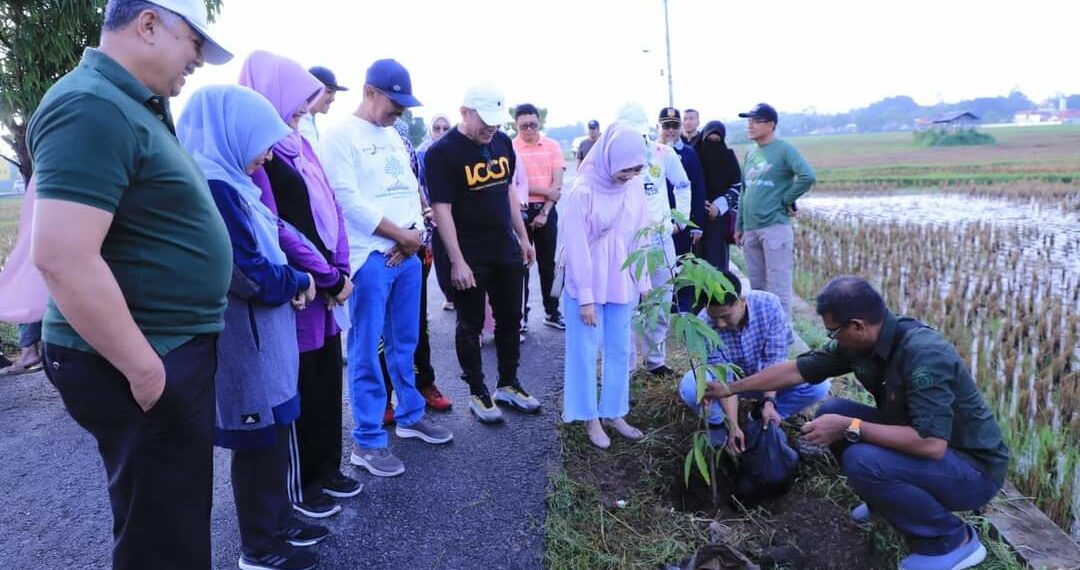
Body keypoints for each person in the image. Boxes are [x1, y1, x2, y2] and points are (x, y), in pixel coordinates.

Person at [27, 1, 231, 567]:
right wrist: (145, 371)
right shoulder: (91, 105)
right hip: (140, 355)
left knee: (173, 517)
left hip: (161, 346)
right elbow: (64, 259)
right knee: (161, 538)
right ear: (148, 25)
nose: (198, 61)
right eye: (194, 44)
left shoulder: (130, 103)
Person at [707, 276, 1009, 570]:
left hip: (972, 470)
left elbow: (931, 444)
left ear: (858, 326)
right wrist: (731, 388)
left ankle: (951, 541)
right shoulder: (859, 344)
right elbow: (795, 371)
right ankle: (886, 502)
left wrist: (850, 426)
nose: (832, 340)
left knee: (861, 458)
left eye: (833, 332)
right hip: (930, 449)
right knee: (831, 410)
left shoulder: (923, 355)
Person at [179, 83, 324, 570]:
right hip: (246, 337)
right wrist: (300, 278)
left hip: (267, 333)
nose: (266, 155)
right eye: (261, 140)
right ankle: (259, 548)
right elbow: (248, 272)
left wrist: (290, 280)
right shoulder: (215, 187)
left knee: (277, 429)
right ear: (232, 133)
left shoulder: (232, 181)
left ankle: (279, 522)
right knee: (258, 439)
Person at [241, 50, 361, 519]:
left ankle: (328, 469)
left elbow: (330, 204)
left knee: (329, 377)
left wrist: (343, 266)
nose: (298, 119)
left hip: (329, 284)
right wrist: (327, 276)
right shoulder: (260, 156)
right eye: (293, 109)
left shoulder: (299, 144)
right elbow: (278, 227)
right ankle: (306, 482)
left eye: (301, 111)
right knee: (301, 385)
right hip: (303, 288)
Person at [321, 58, 453, 478]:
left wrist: (415, 232)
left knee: (406, 342)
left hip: (408, 252)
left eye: (404, 104)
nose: (400, 110)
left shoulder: (395, 133)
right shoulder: (340, 135)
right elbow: (347, 199)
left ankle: (411, 415)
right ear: (369, 92)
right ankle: (367, 439)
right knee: (366, 348)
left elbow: (409, 186)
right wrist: (399, 235)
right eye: (393, 101)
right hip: (372, 258)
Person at [426, 83, 538, 424]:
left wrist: (523, 237)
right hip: (468, 253)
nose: (491, 128)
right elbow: (441, 208)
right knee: (470, 324)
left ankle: (508, 383)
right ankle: (477, 390)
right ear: (464, 112)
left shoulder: (501, 142)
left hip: (504, 246)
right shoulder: (442, 153)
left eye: (496, 122)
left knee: (510, 318)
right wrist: (457, 260)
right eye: (484, 121)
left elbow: (507, 192)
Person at [561, 124, 651, 449]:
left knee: (619, 347)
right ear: (611, 158)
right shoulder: (583, 190)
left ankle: (614, 411)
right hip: (586, 280)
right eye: (626, 168)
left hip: (621, 279)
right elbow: (575, 245)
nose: (630, 175)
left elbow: (642, 233)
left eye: (637, 168)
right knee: (585, 350)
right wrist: (584, 297)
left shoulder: (635, 187)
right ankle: (590, 418)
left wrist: (643, 281)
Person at [678, 271, 829, 451]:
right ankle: (718, 424)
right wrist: (733, 425)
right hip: (726, 388)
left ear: (742, 300)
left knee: (819, 385)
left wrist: (769, 402)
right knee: (690, 386)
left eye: (725, 316)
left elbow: (774, 361)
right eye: (714, 318)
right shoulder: (703, 323)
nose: (719, 325)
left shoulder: (768, 305)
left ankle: (760, 416)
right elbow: (723, 379)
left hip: (763, 380)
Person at [378, 117, 453, 420]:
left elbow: (413, 186)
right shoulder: (357, 142)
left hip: (413, 244)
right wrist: (396, 238)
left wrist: (422, 220)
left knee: (416, 324)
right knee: (380, 330)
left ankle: (424, 384)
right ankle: (383, 397)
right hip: (378, 248)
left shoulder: (402, 141)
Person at [614, 102, 690, 377]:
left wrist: (679, 220)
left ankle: (655, 359)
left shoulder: (662, 154)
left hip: (660, 239)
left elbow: (683, 185)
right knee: (628, 302)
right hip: (626, 244)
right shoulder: (612, 154)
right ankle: (627, 364)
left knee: (660, 299)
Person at [734, 103, 816, 329]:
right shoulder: (751, 152)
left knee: (778, 285)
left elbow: (807, 176)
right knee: (758, 287)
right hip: (751, 228)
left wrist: (786, 199)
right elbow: (744, 190)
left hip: (775, 227)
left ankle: (783, 335)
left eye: (756, 121)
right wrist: (739, 225)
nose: (749, 125)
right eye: (748, 120)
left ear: (770, 125)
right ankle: (762, 330)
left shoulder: (784, 150)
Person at [512, 103, 566, 332]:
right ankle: (520, 317)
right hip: (519, 211)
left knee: (547, 265)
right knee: (519, 265)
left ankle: (552, 311)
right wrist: (545, 191)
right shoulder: (510, 147)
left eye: (533, 125)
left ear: (539, 123)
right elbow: (514, 185)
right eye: (524, 126)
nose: (529, 130)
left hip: (546, 212)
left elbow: (558, 184)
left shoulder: (552, 146)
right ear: (517, 125)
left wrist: (545, 210)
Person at [656, 107, 706, 313]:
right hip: (657, 222)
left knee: (683, 263)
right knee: (657, 266)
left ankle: (682, 308)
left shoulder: (689, 154)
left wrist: (696, 224)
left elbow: (697, 188)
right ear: (658, 126)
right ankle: (658, 306)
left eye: (674, 126)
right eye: (666, 126)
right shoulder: (652, 153)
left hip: (681, 223)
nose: (670, 130)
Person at [419, 114, 457, 310]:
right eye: (437, 128)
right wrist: (429, 208)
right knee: (440, 255)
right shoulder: (421, 154)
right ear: (430, 129)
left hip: (456, 210)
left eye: (446, 128)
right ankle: (449, 295)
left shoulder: (456, 150)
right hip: (430, 214)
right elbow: (419, 184)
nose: (441, 132)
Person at [693, 120, 742, 273]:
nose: (713, 145)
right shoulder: (693, 154)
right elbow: (685, 184)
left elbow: (736, 186)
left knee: (717, 265)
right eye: (709, 140)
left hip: (718, 219)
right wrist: (699, 202)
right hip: (695, 219)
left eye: (717, 141)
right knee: (695, 262)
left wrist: (718, 207)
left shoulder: (728, 157)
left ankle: (716, 296)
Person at [298, 65, 348, 151]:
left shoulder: (309, 121)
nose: (333, 99)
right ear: (311, 88)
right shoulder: (297, 122)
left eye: (334, 93)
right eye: (329, 91)